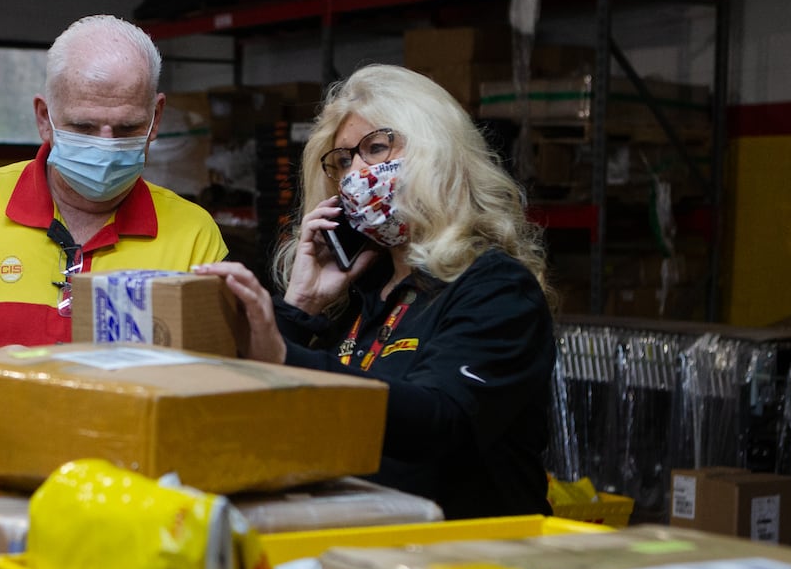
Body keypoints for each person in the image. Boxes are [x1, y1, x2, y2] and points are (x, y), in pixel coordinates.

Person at [195, 64, 557, 519]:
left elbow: (442, 423)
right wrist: (300, 306)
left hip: (466, 559)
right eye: (344, 160)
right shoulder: (354, 294)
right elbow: (262, 421)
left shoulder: (495, 287)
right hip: (359, 546)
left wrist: (286, 358)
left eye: (376, 147)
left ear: (437, 151)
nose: (356, 174)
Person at [0, 14, 229, 406]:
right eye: (85, 127)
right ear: (45, 118)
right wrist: (14, 373)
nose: (106, 147)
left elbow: (220, 385)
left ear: (156, 117)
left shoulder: (195, 235)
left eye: (127, 129)